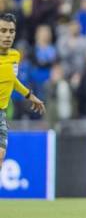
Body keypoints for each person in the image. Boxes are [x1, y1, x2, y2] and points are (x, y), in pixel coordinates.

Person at [0, 13, 45, 170]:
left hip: (1, 112)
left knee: (0, 155)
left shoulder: (15, 56)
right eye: (3, 30)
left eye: (11, 31)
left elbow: (11, 80)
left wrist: (29, 95)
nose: (7, 35)